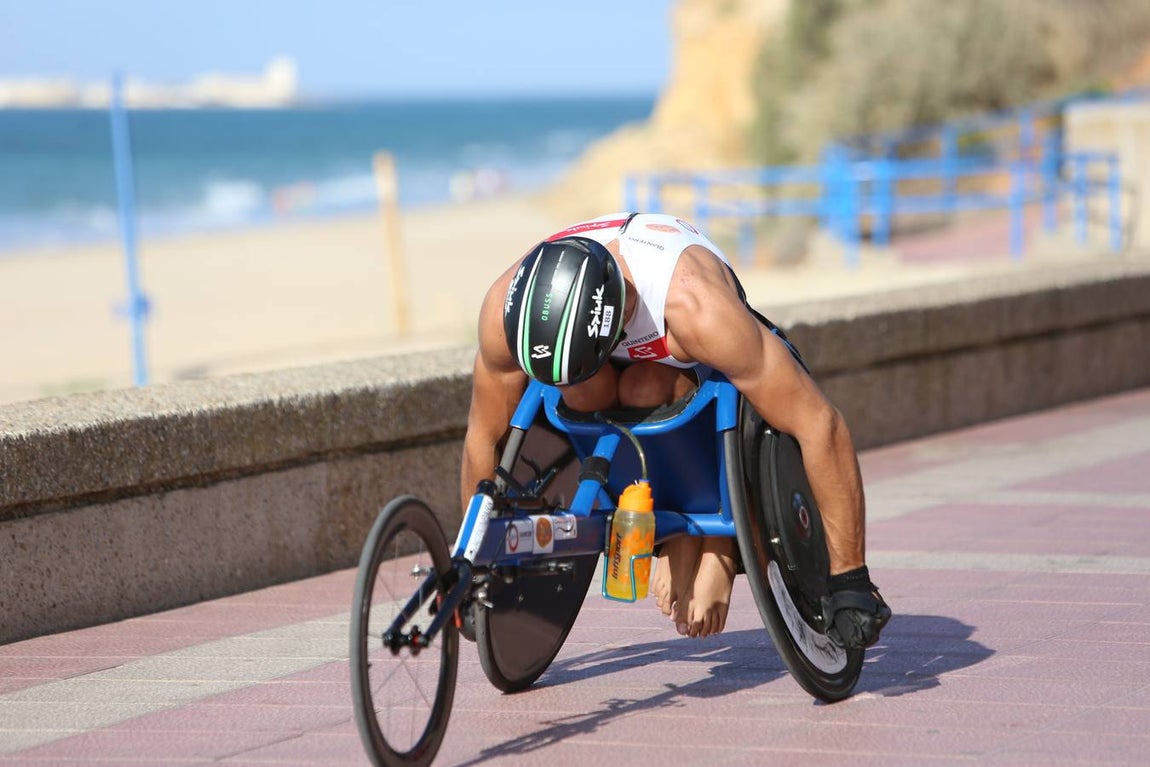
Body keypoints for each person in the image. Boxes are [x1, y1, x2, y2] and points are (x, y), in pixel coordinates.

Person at [460, 212, 890, 648]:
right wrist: (474, 567)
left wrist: (850, 578)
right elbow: (483, 437)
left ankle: (711, 543)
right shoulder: (503, 311)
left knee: (643, 385)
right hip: (602, 352)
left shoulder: (695, 308)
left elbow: (819, 422)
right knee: (586, 395)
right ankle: (674, 534)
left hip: (685, 355)